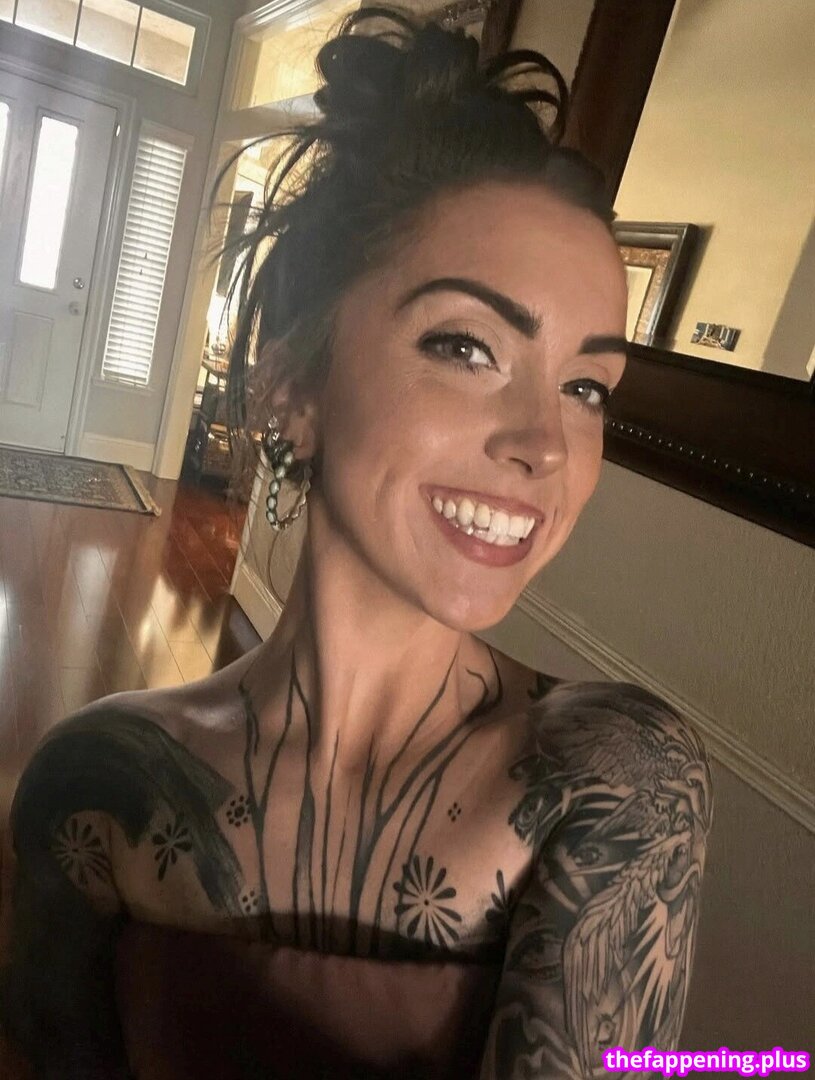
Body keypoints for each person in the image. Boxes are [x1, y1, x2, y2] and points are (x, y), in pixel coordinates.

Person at [0, 8, 711, 1078]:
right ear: (292, 387)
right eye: (465, 346)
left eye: (584, 388)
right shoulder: (96, 781)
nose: (543, 446)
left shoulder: (615, 777)